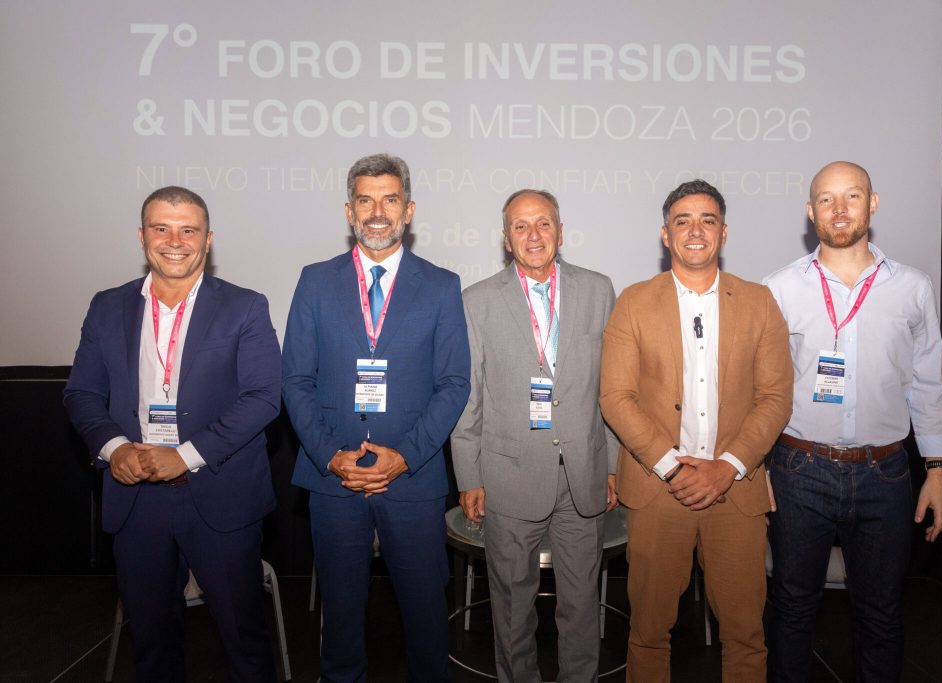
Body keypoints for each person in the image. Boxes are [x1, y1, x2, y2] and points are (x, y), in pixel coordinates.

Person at [64, 186, 281, 682]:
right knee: (152, 643)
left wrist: (185, 455)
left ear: (208, 239)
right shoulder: (107, 306)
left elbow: (264, 397)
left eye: (188, 230)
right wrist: (115, 448)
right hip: (137, 497)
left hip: (221, 495)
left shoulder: (245, 307)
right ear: (142, 236)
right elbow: (82, 393)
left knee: (244, 641)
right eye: (161, 228)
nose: (175, 242)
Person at [763, 161, 942, 682]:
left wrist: (938, 469)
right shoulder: (779, 288)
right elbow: (762, 390)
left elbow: (929, 382)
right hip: (799, 471)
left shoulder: (912, 288)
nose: (840, 209)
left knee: (882, 614)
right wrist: (758, 468)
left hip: (885, 475)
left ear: (873, 203)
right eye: (826, 199)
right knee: (791, 609)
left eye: (852, 196)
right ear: (811, 211)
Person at [283, 153, 470, 682]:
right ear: (349, 211)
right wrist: (330, 456)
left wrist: (405, 456)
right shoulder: (314, 281)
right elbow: (295, 379)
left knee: (426, 618)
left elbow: (454, 383)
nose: (378, 212)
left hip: (412, 478)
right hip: (333, 479)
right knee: (340, 621)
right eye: (365, 200)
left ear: (409, 210)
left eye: (390, 199)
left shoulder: (441, 285)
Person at [600, 179, 793, 682]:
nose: (695, 231)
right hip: (658, 489)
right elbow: (615, 397)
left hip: (736, 492)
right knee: (648, 633)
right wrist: (673, 468)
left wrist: (726, 468)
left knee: (746, 636)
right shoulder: (634, 302)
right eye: (682, 221)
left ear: (723, 233)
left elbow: (775, 398)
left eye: (708, 220)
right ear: (665, 234)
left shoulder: (760, 302)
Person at [451, 189, 618, 682]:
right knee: (510, 607)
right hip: (507, 475)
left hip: (583, 474)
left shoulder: (598, 290)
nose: (533, 235)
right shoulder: (477, 301)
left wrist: (612, 465)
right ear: (506, 240)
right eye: (520, 226)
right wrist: (469, 475)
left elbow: (612, 388)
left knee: (581, 605)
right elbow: (469, 395)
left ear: (560, 233)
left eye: (543, 223)